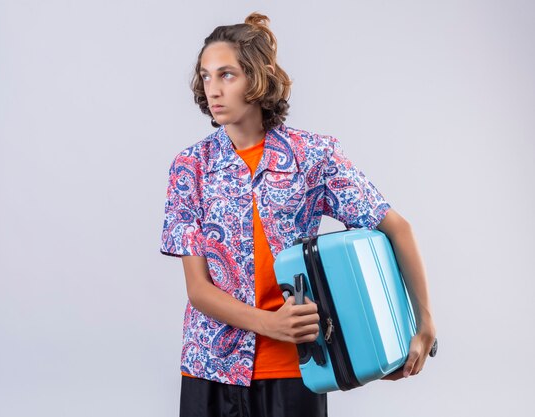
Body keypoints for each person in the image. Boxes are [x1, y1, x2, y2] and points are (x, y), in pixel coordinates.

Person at [159, 11, 436, 417]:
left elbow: (395, 227)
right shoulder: (191, 167)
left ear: (257, 77)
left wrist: (422, 323)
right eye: (206, 76)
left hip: (298, 368)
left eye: (227, 75)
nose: (213, 90)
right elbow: (198, 290)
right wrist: (269, 323)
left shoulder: (314, 156)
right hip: (210, 368)